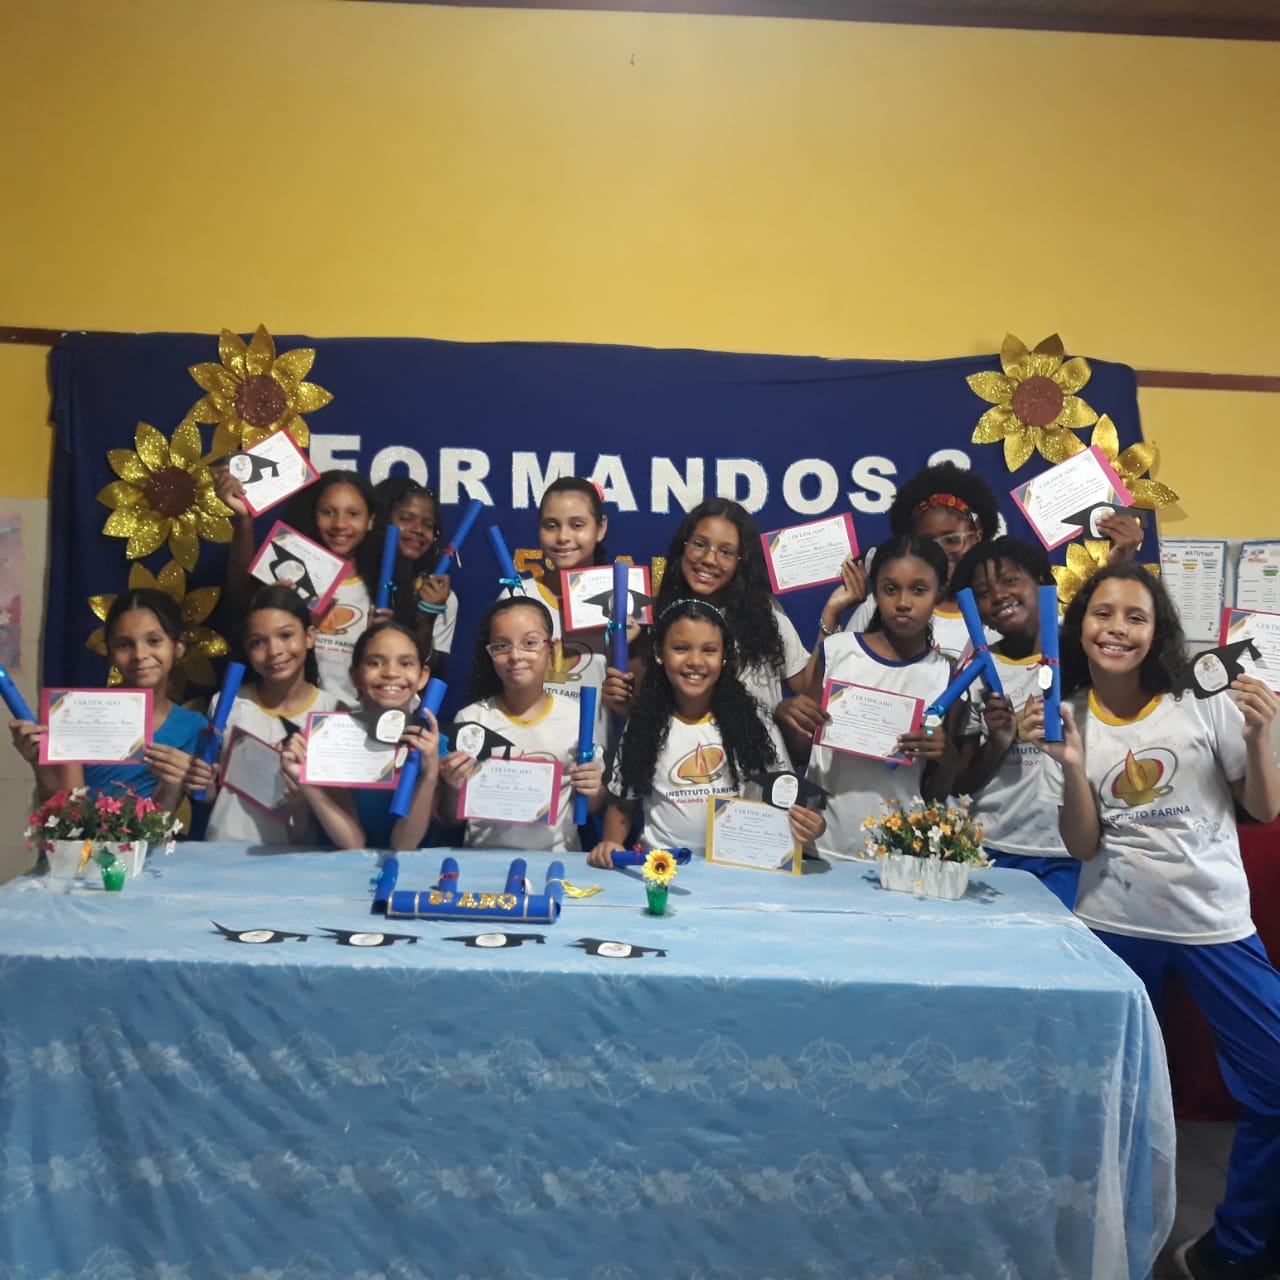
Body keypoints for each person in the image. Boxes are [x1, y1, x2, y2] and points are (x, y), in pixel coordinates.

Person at [1026, 564, 1280, 1280]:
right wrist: (1071, 763)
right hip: (1113, 922)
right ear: (1079, 626)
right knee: (1098, 1096)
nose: (1117, 629)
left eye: (1135, 616)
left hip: (1212, 922)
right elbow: (1082, 845)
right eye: (1101, 613)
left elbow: (1263, 808)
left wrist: (1261, 735)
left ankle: (1235, 1249)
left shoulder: (1200, 699)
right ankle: (1091, 1243)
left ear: (1157, 629)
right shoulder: (1065, 715)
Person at [588, 597, 823, 866]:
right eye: (681, 648)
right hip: (662, 869)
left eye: (709, 650)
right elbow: (622, 803)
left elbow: (786, 797)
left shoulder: (754, 720)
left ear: (724, 657)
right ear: (658, 653)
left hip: (735, 870)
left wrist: (811, 824)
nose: (695, 661)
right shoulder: (644, 723)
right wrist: (612, 842)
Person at [839, 461, 1141, 662]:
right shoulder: (882, 608)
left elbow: (1095, 645)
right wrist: (832, 614)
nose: (942, 553)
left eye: (952, 539)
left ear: (978, 535)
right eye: (928, 544)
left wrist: (1119, 565)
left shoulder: (1012, 609)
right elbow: (842, 671)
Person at [805, 536, 957, 860]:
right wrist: (788, 713)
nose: (903, 602)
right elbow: (801, 746)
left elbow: (936, 792)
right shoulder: (837, 652)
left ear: (940, 592)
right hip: (821, 843)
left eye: (919, 590)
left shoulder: (946, 675)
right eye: (890, 589)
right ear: (875, 591)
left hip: (899, 853)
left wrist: (945, 756)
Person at [949, 537, 1080, 906]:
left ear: (1042, 581)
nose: (998, 596)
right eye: (983, 593)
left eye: (1010, 581)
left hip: (1066, 849)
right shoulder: (976, 668)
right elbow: (961, 782)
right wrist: (999, 741)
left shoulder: (1082, 651)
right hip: (992, 844)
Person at [643, 499, 816, 764]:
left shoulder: (766, 615)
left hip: (759, 774)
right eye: (700, 544)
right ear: (683, 546)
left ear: (741, 562)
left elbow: (810, 692)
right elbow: (643, 707)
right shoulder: (660, 618)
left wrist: (830, 616)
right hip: (684, 772)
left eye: (726, 552)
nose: (709, 559)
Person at [9, 588, 206, 809]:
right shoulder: (76, 711)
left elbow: (165, 816)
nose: (140, 655)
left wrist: (179, 780)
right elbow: (62, 810)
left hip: (150, 832)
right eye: (124, 645)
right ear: (109, 653)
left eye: (153, 641)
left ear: (178, 647)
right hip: (78, 831)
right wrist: (39, 765)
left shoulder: (192, 727)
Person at [439, 597, 605, 851]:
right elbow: (450, 819)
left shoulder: (577, 718)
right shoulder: (471, 720)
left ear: (552, 650)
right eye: (502, 645)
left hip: (557, 860)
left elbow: (594, 806)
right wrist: (452, 788)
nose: (515, 655)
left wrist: (593, 788)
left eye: (529, 643)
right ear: (490, 653)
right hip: (482, 860)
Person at [217, 467, 385, 708]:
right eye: (328, 512)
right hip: (293, 711)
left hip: (358, 717)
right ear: (313, 514)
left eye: (352, 514)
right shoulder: (286, 574)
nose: (340, 524)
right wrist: (244, 520)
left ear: (370, 521)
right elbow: (241, 596)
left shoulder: (381, 588)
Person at [201, 585, 342, 844]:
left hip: (297, 856)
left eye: (286, 635)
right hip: (224, 850)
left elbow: (339, 809)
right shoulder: (226, 704)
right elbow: (210, 790)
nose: (274, 650)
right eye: (258, 642)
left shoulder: (333, 712)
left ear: (310, 636)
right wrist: (203, 782)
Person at [281, 622, 440, 850]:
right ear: (354, 676)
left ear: (422, 676)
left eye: (405, 663)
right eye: (375, 663)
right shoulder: (331, 737)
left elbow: (404, 845)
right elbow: (353, 843)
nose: (391, 673)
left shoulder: (434, 746)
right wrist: (306, 780)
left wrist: (430, 774)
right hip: (342, 867)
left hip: (408, 868)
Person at [509, 477, 632, 743]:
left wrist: (628, 645)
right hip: (524, 753)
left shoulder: (624, 602)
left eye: (577, 525)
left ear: (600, 528)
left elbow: (634, 702)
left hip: (592, 758)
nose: (563, 537)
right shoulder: (517, 596)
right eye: (551, 525)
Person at [373, 476, 457, 677]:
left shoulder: (441, 598)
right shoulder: (352, 579)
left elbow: (422, 672)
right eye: (405, 518)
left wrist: (427, 617)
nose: (418, 530)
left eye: (428, 525)